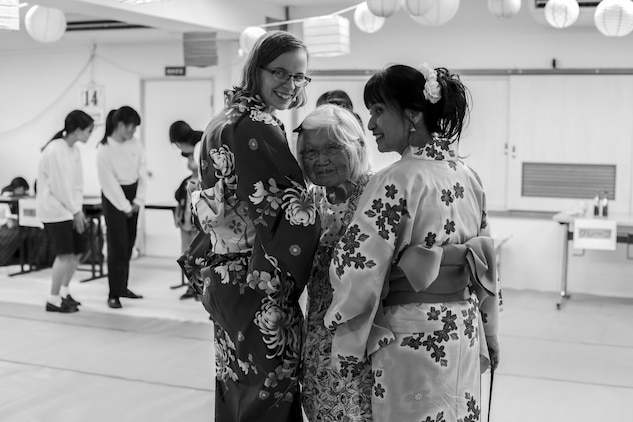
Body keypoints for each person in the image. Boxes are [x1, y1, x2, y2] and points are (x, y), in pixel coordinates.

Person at [324, 64, 501, 422]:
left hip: (411, 332)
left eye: (377, 111)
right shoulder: (469, 177)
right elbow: (485, 265)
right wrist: (490, 330)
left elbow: (358, 268)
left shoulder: (394, 180)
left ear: (413, 115)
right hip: (463, 327)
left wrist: (345, 345)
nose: (370, 123)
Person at [180, 30, 321, 421]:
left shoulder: (221, 122)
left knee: (235, 381)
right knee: (269, 389)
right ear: (255, 70)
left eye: (299, 77)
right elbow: (288, 213)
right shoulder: (257, 126)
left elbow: (209, 204)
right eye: (280, 73)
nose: (291, 85)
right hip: (257, 282)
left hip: (225, 277)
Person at [295, 104, 373, 422]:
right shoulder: (309, 201)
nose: (320, 159)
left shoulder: (376, 196)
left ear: (356, 146)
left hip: (367, 345)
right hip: (316, 345)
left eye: (332, 148)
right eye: (310, 152)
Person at [36, 110, 94, 313]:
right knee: (64, 255)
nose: (90, 134)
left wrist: (77, 209)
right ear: (77, 131)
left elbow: (77, 185)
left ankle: (64, 292)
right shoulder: (54, 150)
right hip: (55, 211)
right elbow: (59, 187)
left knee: (78, 252)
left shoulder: (74, 150)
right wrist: (75, 211)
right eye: (88, 130)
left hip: (70, 210)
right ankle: (52, 299)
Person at [96, 106, 147, 309]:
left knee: (128, 244)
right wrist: (125, 206)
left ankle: (123, 287)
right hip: (114, 199)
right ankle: (113, 292)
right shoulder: (104, 149)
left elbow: (142, 172)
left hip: (133, 196)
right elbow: (108, 183)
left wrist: (138, 201)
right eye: (131, 128)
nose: (133, 133)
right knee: (116, 246)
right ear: (120, 125)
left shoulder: (135, 144)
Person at [168, 120, 203, 300]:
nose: (190, 161)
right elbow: (179, 200)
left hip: (202, 217)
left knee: (201, 252)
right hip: (187, 219)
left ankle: (201, 289)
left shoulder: (202, 144)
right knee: (187, 253)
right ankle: (192, 287)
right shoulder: (187, 182)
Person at [0, 177, 30, 266]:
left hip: (5, 224)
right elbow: (10, 223)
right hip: (4, 226)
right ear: (21, 188)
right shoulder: (8, 198)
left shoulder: (5, 195)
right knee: (21, 232)